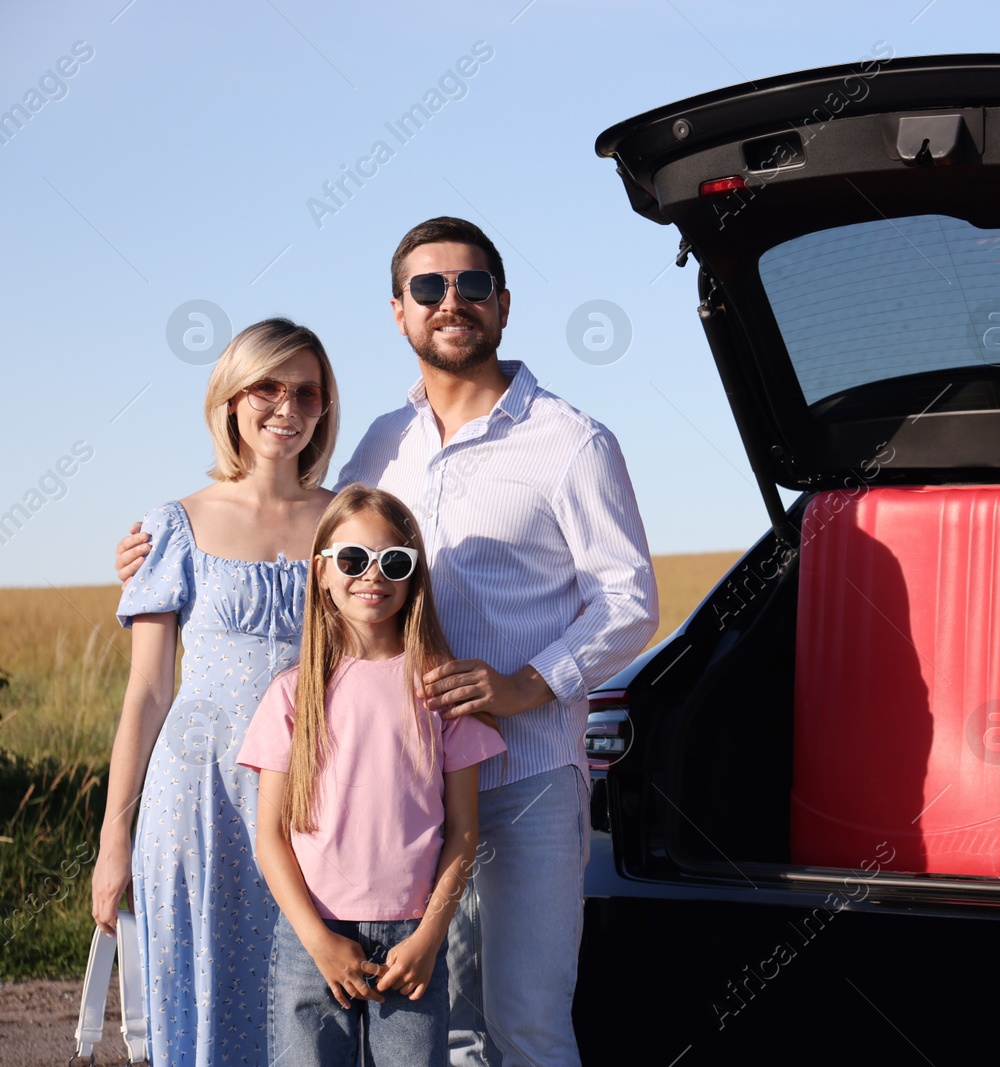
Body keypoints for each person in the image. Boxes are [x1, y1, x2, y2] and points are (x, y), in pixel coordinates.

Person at [117, 217, 658, 1066]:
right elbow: (309, 530)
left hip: (523, 779)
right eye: (428, 287)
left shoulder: (570, 441)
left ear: (504, 305)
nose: (451, 302)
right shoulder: (382, 444)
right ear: (399, 313)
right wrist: (163, 541)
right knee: (447, 1031)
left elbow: (630, 600)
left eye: (472, 285)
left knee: (525, 1020)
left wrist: (528, 683)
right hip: (397, 799)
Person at [94, 318, 341, 1067]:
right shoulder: (175, 525)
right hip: (195, 798)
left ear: (326, 407)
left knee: (309, 1010)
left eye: (305, 390)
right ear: (230, 399)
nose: (285, 406)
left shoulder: (348, 521)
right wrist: (113, 839)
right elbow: (146, 693)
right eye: (265, 386)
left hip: (310, 797)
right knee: (198, 1000)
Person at [238, 485, 506, 1066]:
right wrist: (318, 941)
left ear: (414, 577)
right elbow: (270, 838)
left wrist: (430, 938)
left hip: (412, 940)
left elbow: (463, 832)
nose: (372, 576)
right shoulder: (293, 694)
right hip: (313, 936)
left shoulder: (439, 692)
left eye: (394, 561)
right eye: (353, 560)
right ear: (323, 573)